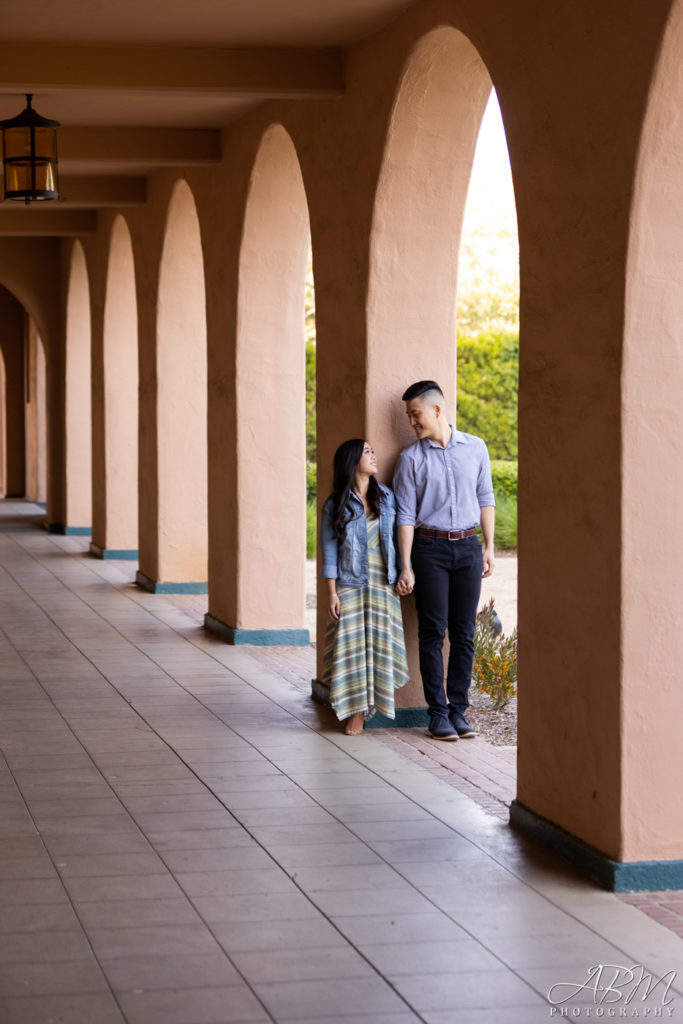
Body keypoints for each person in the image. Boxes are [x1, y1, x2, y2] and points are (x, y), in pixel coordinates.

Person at [393, 381, 495, 741]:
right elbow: (405, 515)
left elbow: (486, 497)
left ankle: (459, 711)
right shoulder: (410, 459)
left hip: (468, 547)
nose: (412, 422)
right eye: (408, 416)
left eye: (415, 414)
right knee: (433, 632)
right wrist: (406, 564)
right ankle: (437, 714)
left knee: (465, 633)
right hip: (429, 550)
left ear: (437, 410)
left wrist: (489, 546)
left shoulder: (475, 448)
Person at [320, 439, 409, 734]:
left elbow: (397, 540)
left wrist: (404, 572)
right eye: (366, 452)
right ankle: (355, 711)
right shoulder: (336, 504)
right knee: (352, 648)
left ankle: (376, 706)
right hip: (350, 581)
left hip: (384, 582)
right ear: (351, 460)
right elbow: (329, 550)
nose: (373, 456)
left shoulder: (386, 496)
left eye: (373, 450)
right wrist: (332, 593)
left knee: (378, 645)